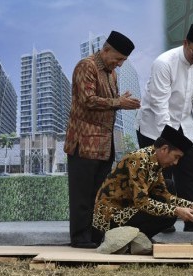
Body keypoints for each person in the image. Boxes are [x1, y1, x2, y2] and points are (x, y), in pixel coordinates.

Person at [136, 24, 193, 233]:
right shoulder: (164, 63)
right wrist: (169, 142)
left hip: (184, 125)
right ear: (185, 43)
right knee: (159, 177)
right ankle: (162, 221)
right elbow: (160, 104)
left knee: (189, 174)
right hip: (154, 126)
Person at [64, 31, 141, 248]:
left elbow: (110, 100)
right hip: (84, 142)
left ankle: (95, 236)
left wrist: (119, 100)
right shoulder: (86, 66)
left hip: (105, 143)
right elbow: (88, 100)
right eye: (117, 59)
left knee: (98, 194)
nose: (119, 64)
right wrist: (119, 102)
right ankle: (80, 238)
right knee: (82, 195)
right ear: (105, 50)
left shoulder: (112, 73)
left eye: (123, 61)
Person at [92, 125, 193, 242]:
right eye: (176, 157)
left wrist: (191, 205)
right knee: (169, 212)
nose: (176, 162)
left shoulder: (154, 161)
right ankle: (122, 239)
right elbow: (142, 202)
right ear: (164, 149)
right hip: (111, 218)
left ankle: (140, 238)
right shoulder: (139, 159)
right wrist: (177, 210)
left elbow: (164, 195)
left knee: (169, 189)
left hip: (128, 210)